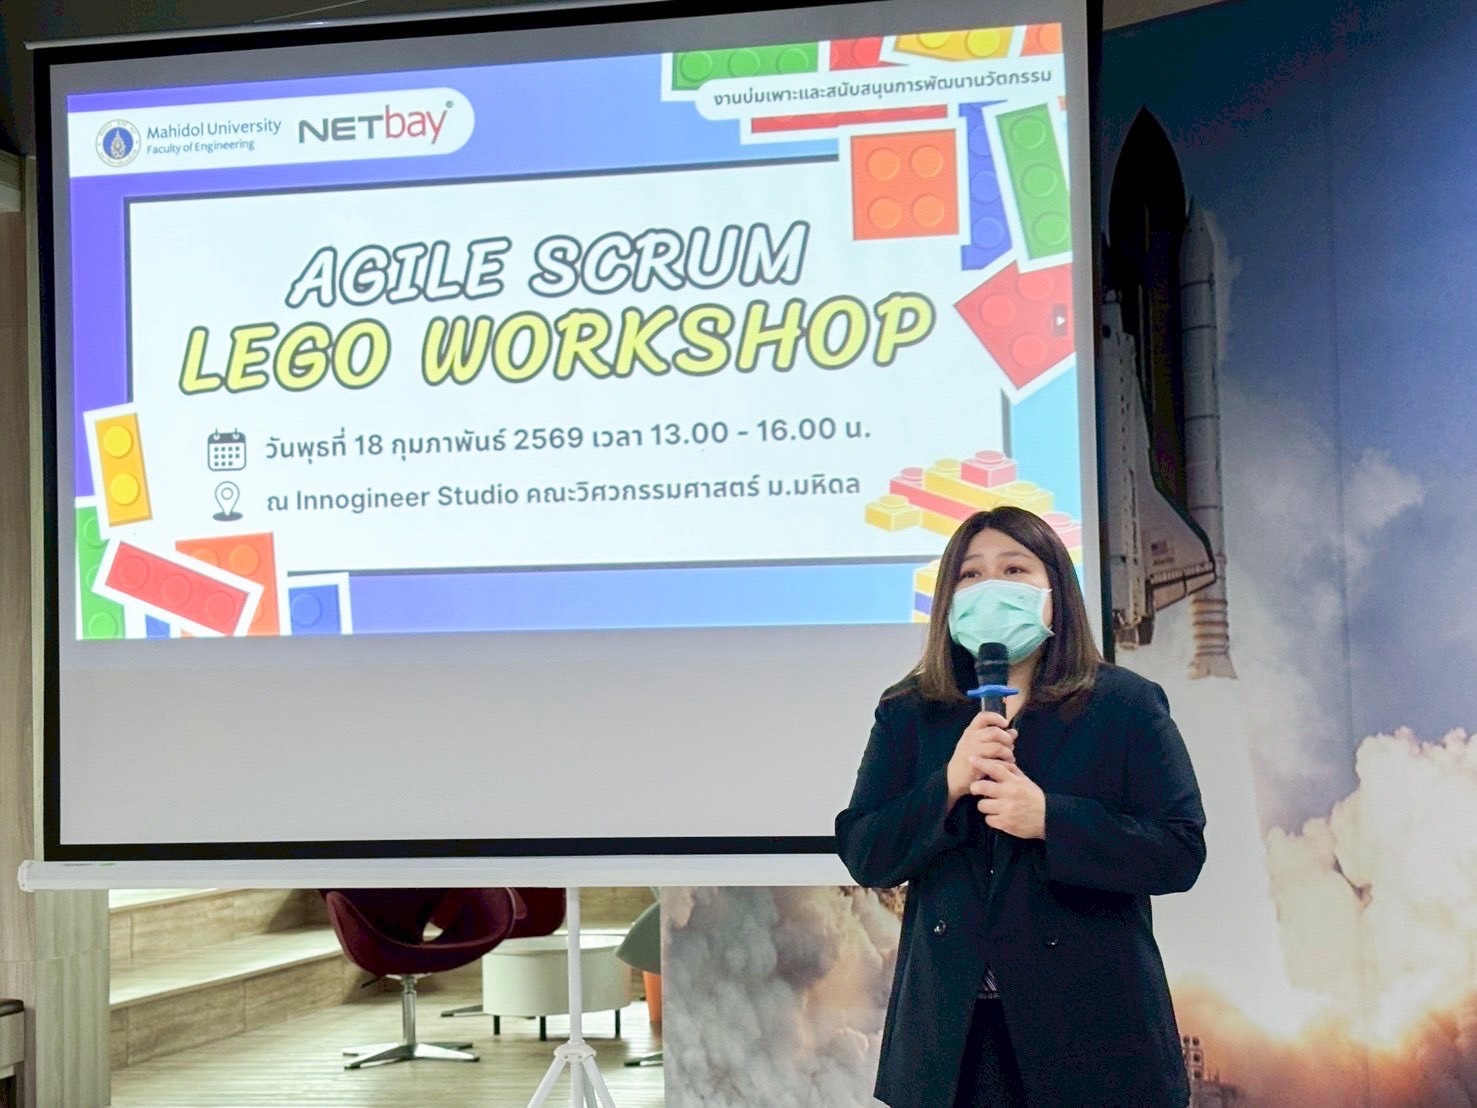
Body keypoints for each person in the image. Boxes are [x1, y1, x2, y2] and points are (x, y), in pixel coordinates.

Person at [836, 506, 1205, 1107]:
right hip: (953, 1044)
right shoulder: (909, 710)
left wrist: (1051, 820)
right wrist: (949, 783)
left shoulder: (1125, 704)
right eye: (971, 574)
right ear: (948, 599)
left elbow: (1179, 850)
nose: (992, 589)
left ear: (1055, 591)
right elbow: (865, 850)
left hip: (1093, 1037)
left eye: (1015, 570)